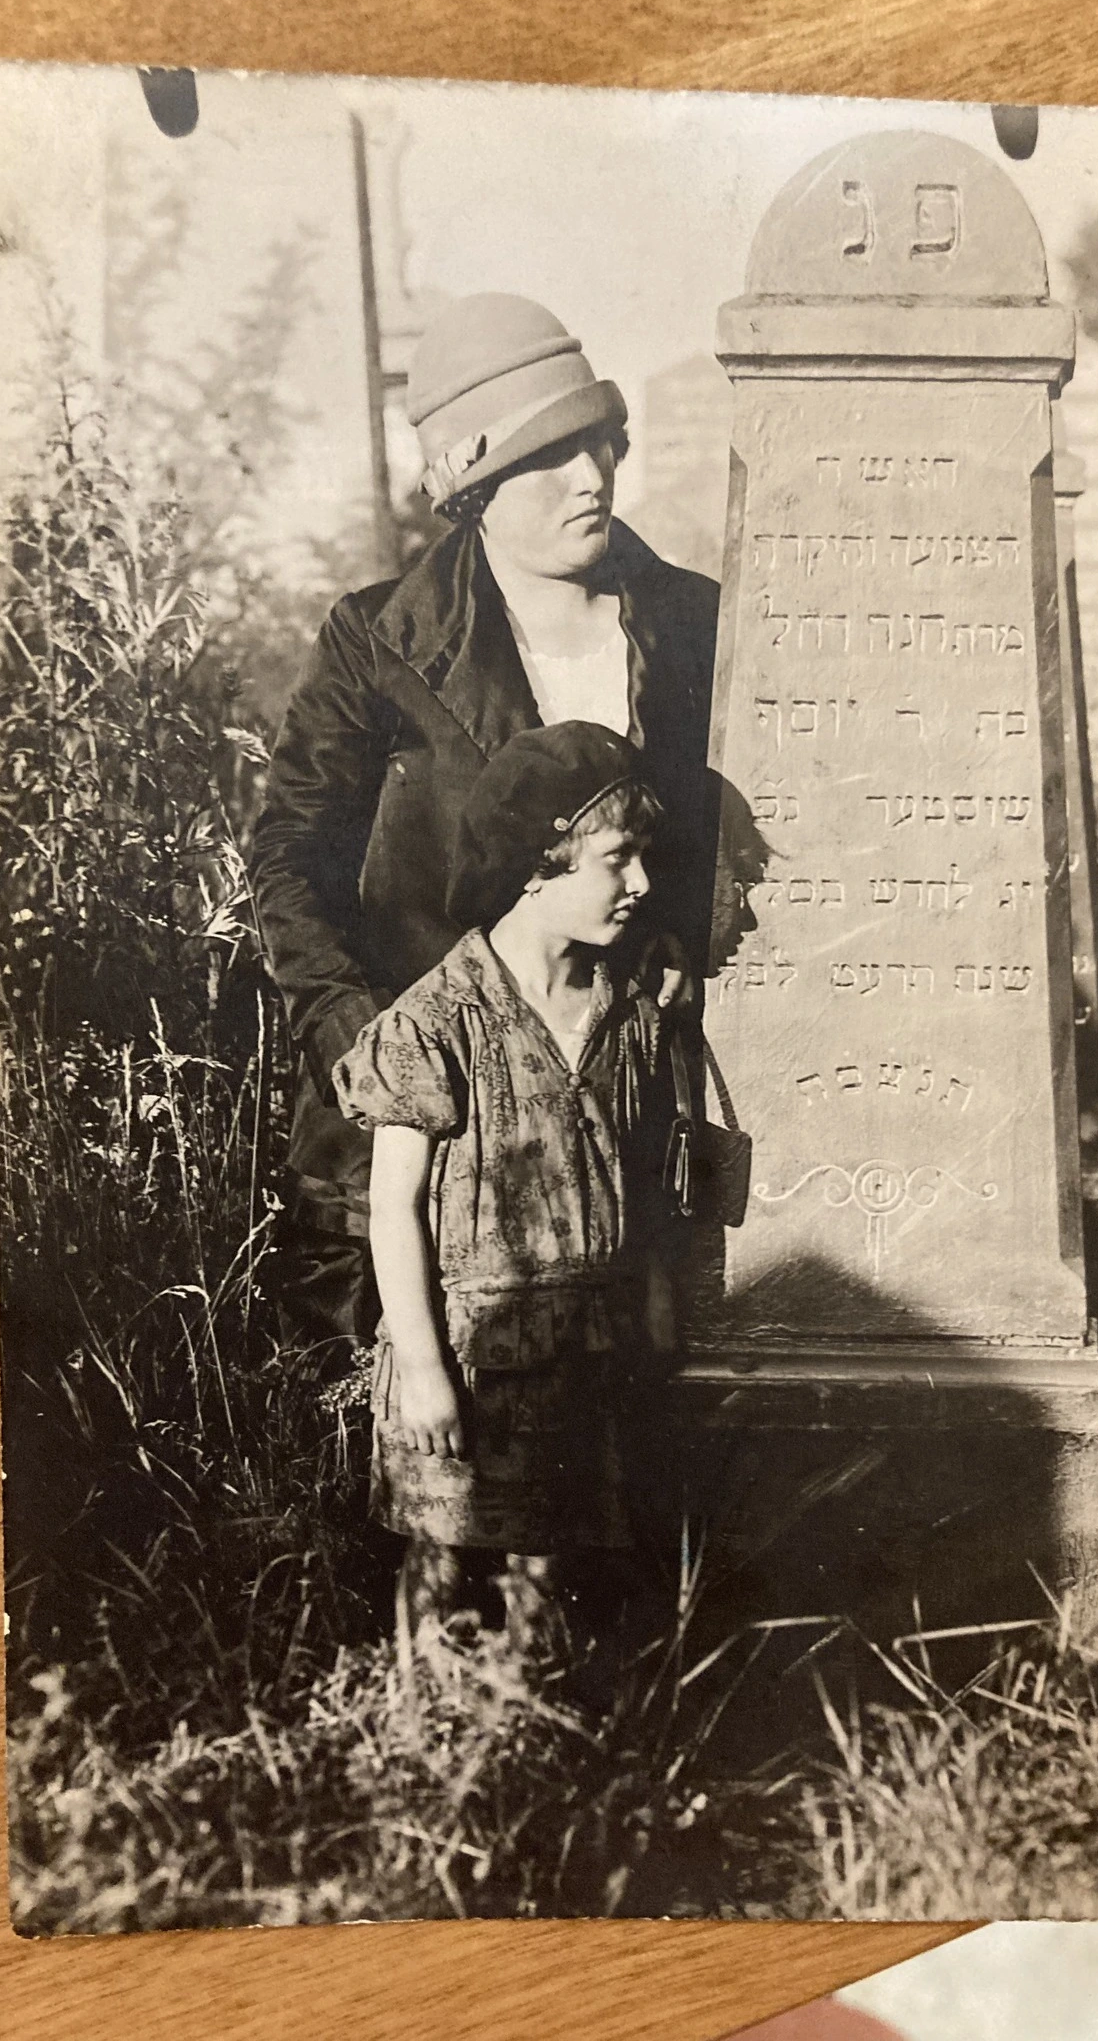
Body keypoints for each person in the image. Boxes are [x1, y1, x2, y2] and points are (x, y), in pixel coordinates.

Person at [251, 294, 717, 1370]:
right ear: (470, 485)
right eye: (546, 455)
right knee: (412, 1434)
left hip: (624, 1137)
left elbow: (718, 838)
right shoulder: (379, 642)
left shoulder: (694, 624)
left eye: (599, 440)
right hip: (427, 1131)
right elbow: (289, 857)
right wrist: (364, 1040)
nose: (591, 475)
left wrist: (681, 940)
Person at [330, 722, 683, 1663]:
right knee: (442, 1567)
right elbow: (393, 1211)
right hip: (469, 1357)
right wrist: (425, 1372)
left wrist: (653, 1301)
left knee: (548, 1586)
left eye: (644, 857)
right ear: (538, 866)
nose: (641, 882)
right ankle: (420, 1732)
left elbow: (637, 1168)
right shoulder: (436, 1021)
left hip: (586, 1357)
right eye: (618, 859)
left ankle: (530, 1733)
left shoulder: (625, 1012)